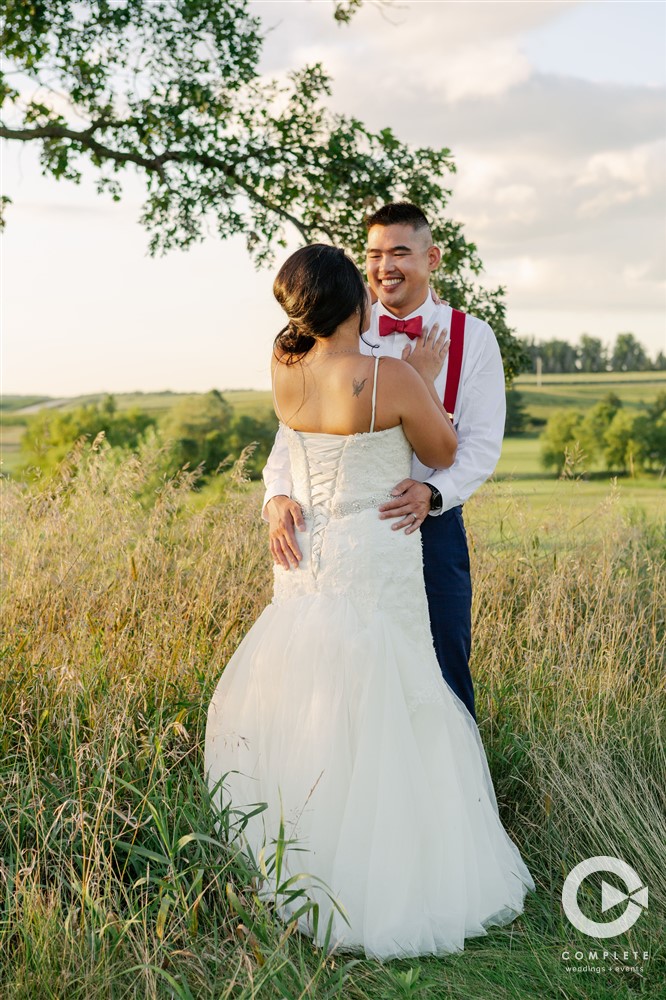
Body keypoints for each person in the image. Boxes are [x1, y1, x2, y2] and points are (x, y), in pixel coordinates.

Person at [205, 243, 533, 961]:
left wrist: (279, 498)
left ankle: (301, 870)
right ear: (355, 302)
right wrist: (417, 380)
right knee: (391, 701)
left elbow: (291, 444)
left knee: (315, 703)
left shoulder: (284, 367)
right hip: (374, 552)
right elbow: (444, 451)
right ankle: (396, 880)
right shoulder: (391, 376)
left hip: (307, 558)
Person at [263, 203, 506, 721]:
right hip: (344, 533)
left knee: (442, 662)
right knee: (342, 672)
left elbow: (482, 443)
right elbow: (290, 436)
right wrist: (276, 494)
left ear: (431, 257)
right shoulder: (332, 329)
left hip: (430, 525)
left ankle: (445, 787)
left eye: (399, 251)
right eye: (373, 254)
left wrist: (434, 493)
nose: (384, 266)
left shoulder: (474, 337)